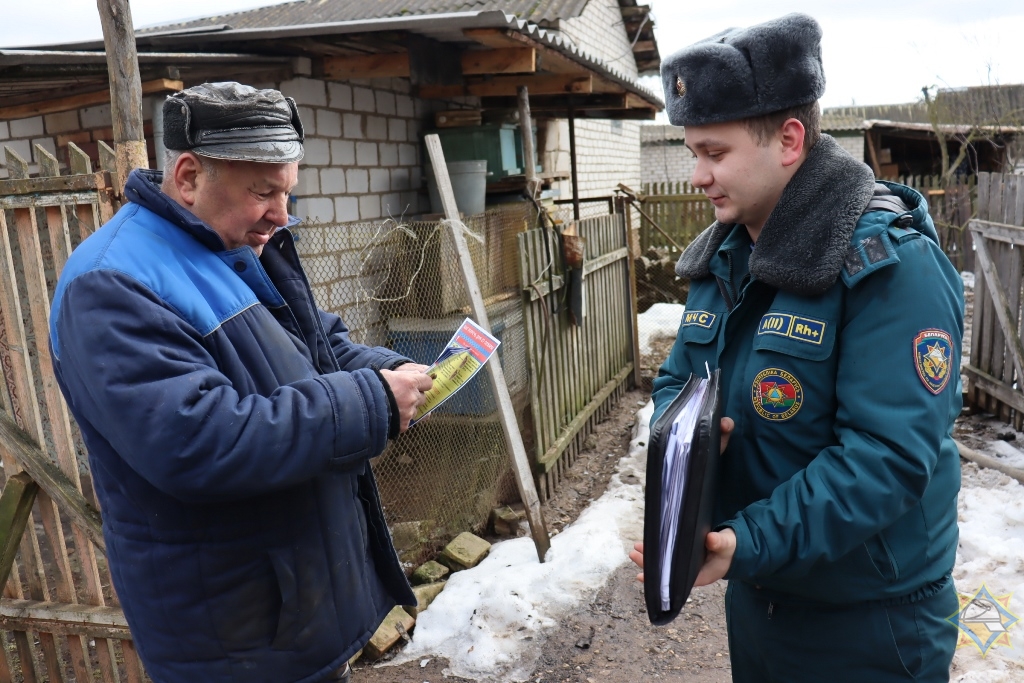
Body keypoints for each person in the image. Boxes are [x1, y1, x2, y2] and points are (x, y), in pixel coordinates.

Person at [49, 82, 433, 683]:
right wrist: (373, 401)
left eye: (287, 191)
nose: (283, 214)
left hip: (289, 607)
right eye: (264, 192)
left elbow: (314, 346)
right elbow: (201, 441)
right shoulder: (110, 285)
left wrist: (393, 375)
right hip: (233, 635)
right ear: (187, 176)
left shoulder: (231, 242)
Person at [629, 14, 964, 683]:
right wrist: (691, 439)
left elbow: (887, 458)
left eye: (714, 153)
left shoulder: (890, 264)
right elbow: (678, 380)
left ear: (788, 141)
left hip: (868, 624)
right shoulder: (724, 258)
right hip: (764, 601)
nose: (697, 175)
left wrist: (748, 540)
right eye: (692, 151)